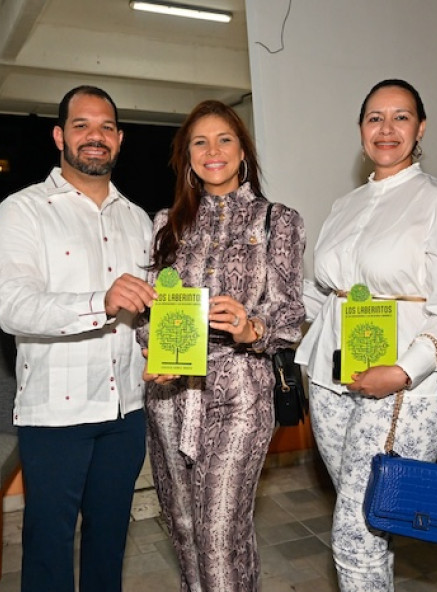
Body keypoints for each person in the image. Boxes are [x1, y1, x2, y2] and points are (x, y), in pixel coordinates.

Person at [295, 79, 437, 591]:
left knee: (355, 533)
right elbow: (328, 295)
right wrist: (268, 304)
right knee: (371, 522)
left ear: (420, 128)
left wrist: (400, 372)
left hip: (406, 388)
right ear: (360, 129)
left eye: (401, 117)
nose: (387, 128)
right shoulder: (344, 206)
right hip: (333, 382)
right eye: (375, 117)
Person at [0, 85, 156, 592]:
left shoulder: (139, 219)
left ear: (120, 139)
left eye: (106, 127)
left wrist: (162, 349)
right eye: (81, 125)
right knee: (47, 547)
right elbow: (12, 306)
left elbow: (147, 311)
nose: (94, 137)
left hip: (126, 411)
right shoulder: (23, 210)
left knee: (110, 541)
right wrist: (98, 302)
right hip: (56, 414)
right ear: (60, 135)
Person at [137, 99, 305, 592]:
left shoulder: (279, 220)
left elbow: (291, 312)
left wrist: (252, 327)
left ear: (243, 150)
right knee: (184, 527)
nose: (213, 151)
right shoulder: (165, 224)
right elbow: (152, 311)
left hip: (241, 390)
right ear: (186, 157)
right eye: (200, 142)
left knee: (220, 531)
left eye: (224, 139)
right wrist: (153, 350)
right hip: (171, 397)